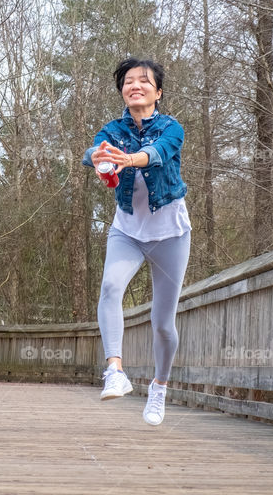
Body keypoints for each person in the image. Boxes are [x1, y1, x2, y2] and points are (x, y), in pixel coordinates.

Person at [82, 57, 191, 426]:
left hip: (171, 235)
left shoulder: (172, 128)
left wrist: (128, 159)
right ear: (122, 91)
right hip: (127, 230)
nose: (135, 86)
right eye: (128, 81)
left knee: (163, 323)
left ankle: (159, 387)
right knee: (111, 287)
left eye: (144, 81)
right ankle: (115, 370)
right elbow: (93, 154)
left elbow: (157, 154)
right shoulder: (111, 130)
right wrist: (99, 158)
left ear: (157, 92)